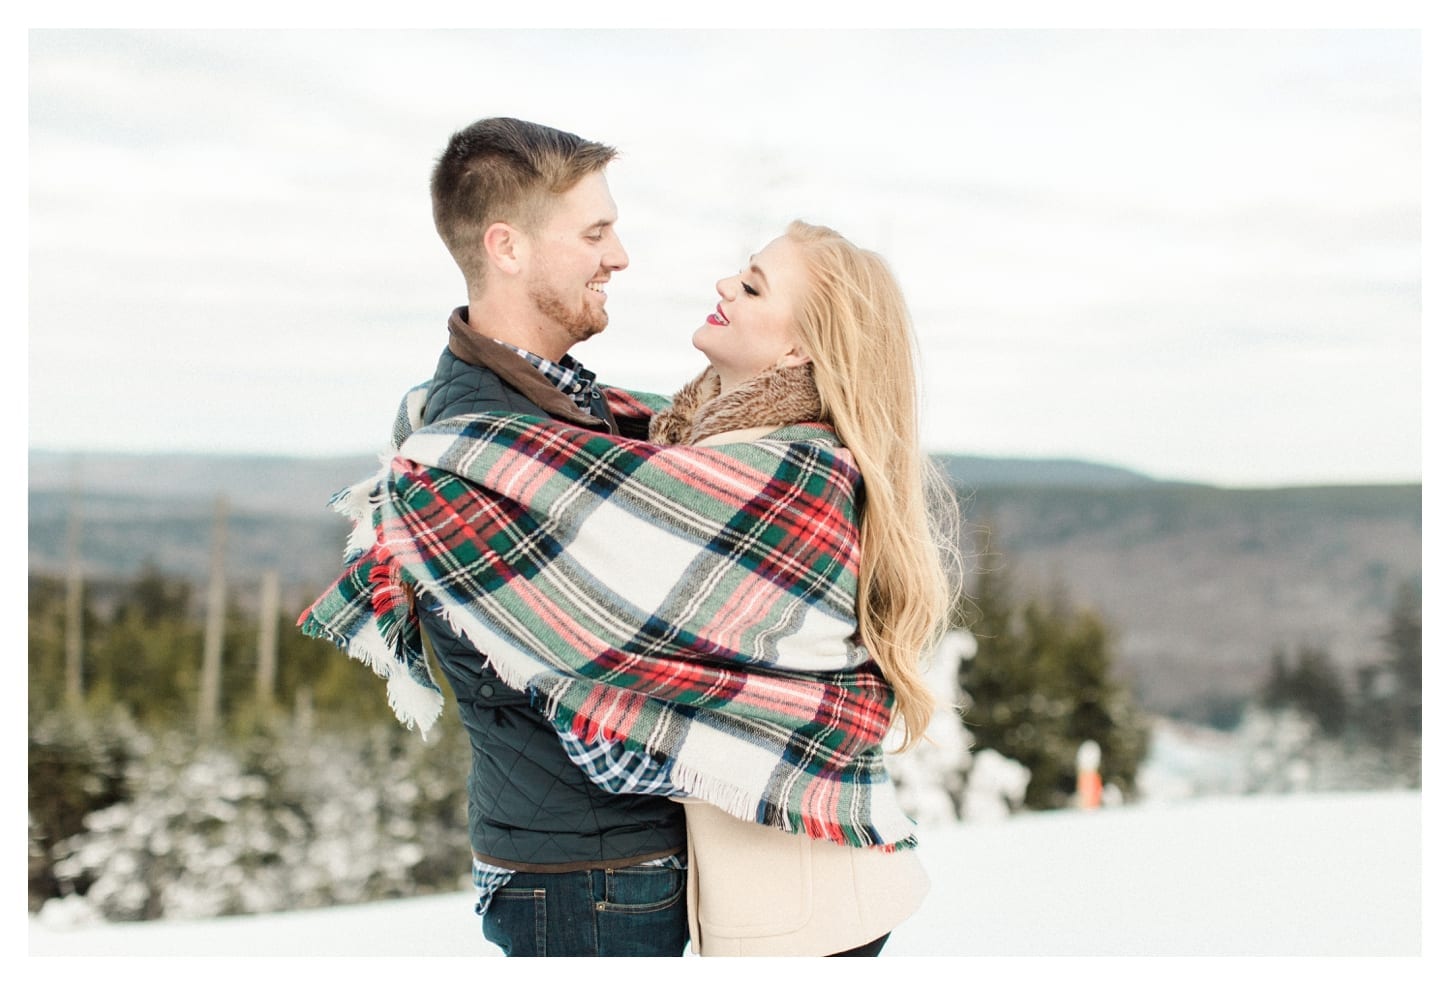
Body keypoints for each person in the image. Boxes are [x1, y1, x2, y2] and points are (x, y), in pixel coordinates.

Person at [301, 217, 958, 957]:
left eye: (752, 284)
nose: (724, 286)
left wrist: (460, 469)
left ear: (800, 347)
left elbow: (651, 685)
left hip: (808, 908)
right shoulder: (700, 444)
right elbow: (617, 479)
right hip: (789, 891)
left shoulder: (782, 473)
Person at [341, 117, 689, 957]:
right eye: (595, 232)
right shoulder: (482, 446)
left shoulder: (550, 405)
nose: (621, 256)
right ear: (508, 246)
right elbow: (595, 693)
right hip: (589, 877)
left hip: (597, 866)